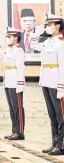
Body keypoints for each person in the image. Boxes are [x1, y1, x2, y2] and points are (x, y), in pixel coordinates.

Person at [30, 13, 64, 155]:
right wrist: (36, 32)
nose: (48, 27)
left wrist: (62, 86)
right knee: (52, 114)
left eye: (49, 24)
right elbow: (32, 45)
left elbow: (62, 66)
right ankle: (55, 142)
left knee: (60, 114)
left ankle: (61, 145)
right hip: (46, 82)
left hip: (57, 83)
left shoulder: (61, 43)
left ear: (57, 26)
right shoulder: (48, 42)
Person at [0, 27, 25, 140]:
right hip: (8, 81)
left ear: (15, 38)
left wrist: (20, 83)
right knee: (12, 108)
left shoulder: (19, 51)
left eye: (9, 37)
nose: (7, 39)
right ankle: (14, 130)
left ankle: (20, 131)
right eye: (7, 37)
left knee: (18, 108)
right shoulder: (8, 50)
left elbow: (21, 68)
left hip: (15, 83)